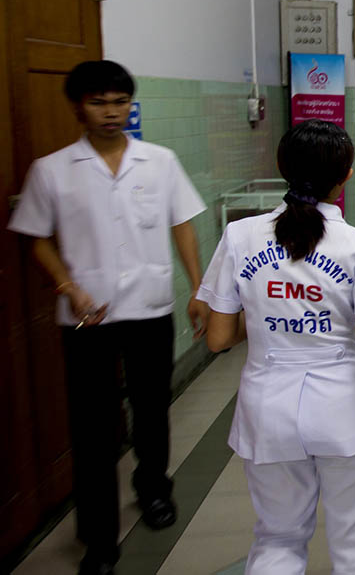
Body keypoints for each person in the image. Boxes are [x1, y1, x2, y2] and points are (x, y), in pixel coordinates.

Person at [196, 120, 355, 575]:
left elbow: (218, 338)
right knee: (353, 543)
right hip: (344, 414)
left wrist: (269, 310)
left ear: (281, 167)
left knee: (277, 538)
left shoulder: (241, 236)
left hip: (267, 410)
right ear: (346, 175)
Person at [7, 60, 209, 575]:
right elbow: (35, 237)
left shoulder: (159, 162)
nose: (111, 112)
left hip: (149, 307)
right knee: (93, 427)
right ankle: (98, 536)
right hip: (86, 317)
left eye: (120, 102)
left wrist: (197, 288)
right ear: (78, 106)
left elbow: (182, 224)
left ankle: (154, 489)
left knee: (151, 410)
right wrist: (66, 286)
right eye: (99, 102)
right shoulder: (52, 171)